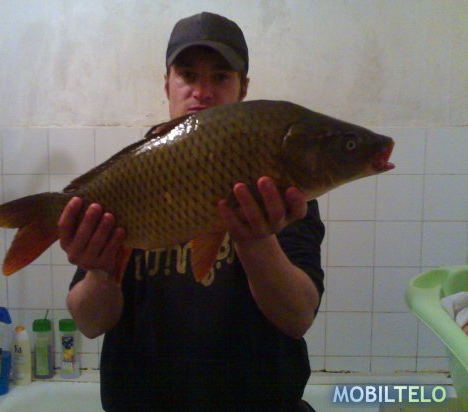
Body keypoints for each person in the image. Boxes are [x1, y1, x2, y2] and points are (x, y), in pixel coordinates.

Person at [62, 12, 325, 411]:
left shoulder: (276, 189)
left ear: (243, 89)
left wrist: (256, 242)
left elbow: (298, 317)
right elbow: (90, 323)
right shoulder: (132, 177)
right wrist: (101, 271)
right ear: (167, 83)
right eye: (187, 75)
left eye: (220, 77)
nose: (202, 92)